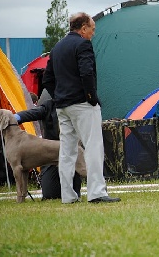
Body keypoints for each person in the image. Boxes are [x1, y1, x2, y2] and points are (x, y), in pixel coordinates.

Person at [42, 12, 120, 203]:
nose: (93, 33)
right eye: (92, 29)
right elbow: (87, 73)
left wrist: (59, 97)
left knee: (67, 151)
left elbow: (47, 80)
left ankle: (68, 196)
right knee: (93, 147)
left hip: (62, 107)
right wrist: (91, 98)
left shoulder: (57, 47)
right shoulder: (83, 44)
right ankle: (97, 193)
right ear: (83, 28)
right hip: (82, 105)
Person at [14, 89, 82, 200]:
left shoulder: (75, 106)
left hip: (71, 152)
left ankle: (95, 191)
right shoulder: (49, 106)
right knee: (50, 195)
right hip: (50, 155)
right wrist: (15, 117)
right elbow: (32, 113)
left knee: (77, 170)